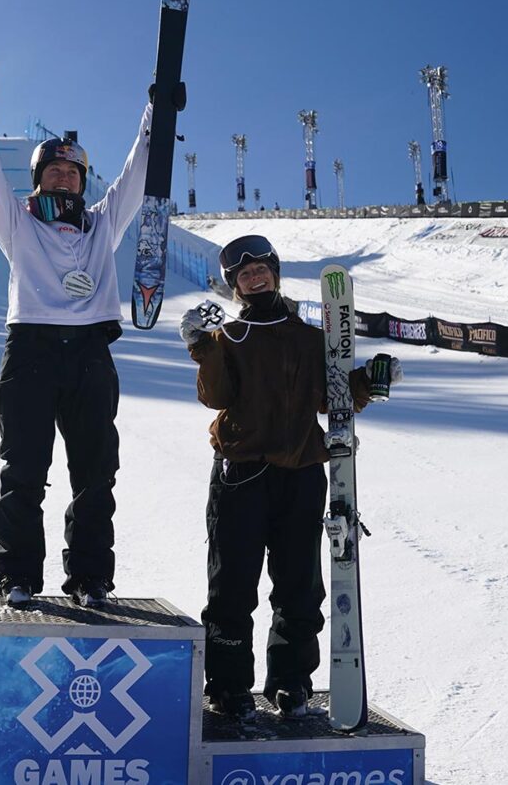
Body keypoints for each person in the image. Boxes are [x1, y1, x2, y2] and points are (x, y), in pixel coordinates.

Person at [0, 57, 172, 610]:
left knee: (96, 475)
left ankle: (91, 578)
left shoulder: (102, 223)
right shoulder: (20, 223)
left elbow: (137, 174)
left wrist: (158, 111)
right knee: (23, 470)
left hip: (92, 354)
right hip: (31, 349)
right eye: (54, 171)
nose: (65, 178)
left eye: (73, 173)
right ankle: (19, 575)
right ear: (39, 178)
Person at [180, 234, 400, 721]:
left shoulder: (308, 337)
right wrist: (201, 345)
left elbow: (332, 398)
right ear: (233, 285)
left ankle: (291, 682)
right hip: (240, 476)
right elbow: (215, 397)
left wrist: (371, 379)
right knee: (233, 585)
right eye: (243, 274)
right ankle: (230, 685)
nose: (253, 277)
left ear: (275, 272)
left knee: (300, 585)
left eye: (260, 268)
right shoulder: (229, 336)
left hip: (301, 475)